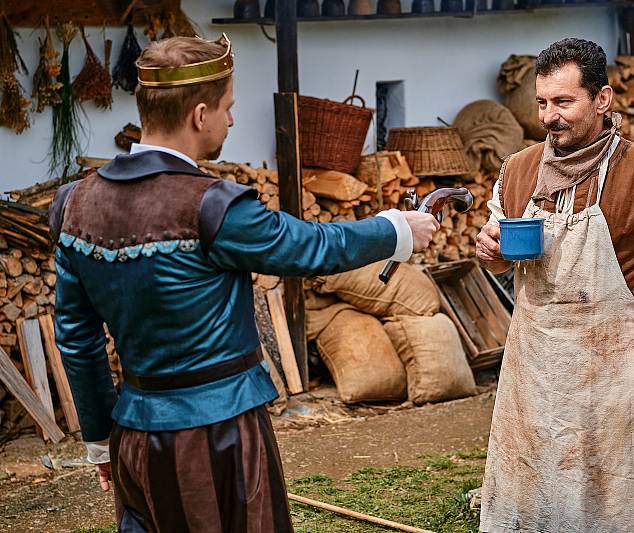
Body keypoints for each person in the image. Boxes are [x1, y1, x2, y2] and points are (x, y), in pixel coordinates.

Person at [50, 34, 439, 533]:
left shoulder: (71, 203)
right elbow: (309, 246)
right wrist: (398, 229)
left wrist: (101, 440)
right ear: (199, 114)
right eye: (228, 108)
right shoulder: (212, 205)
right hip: (218, 436)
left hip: (134, 436)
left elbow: (77, 341)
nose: (231, 120)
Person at [476, 38, 634, 532]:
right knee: (534, 500)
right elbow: (497, 260)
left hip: (619, 376)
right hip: (533, 373)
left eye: (563, 102)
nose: (549, 116)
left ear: (602, 99)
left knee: (616, 506)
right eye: (542, 102)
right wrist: (488, 251)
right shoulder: (518, 171)